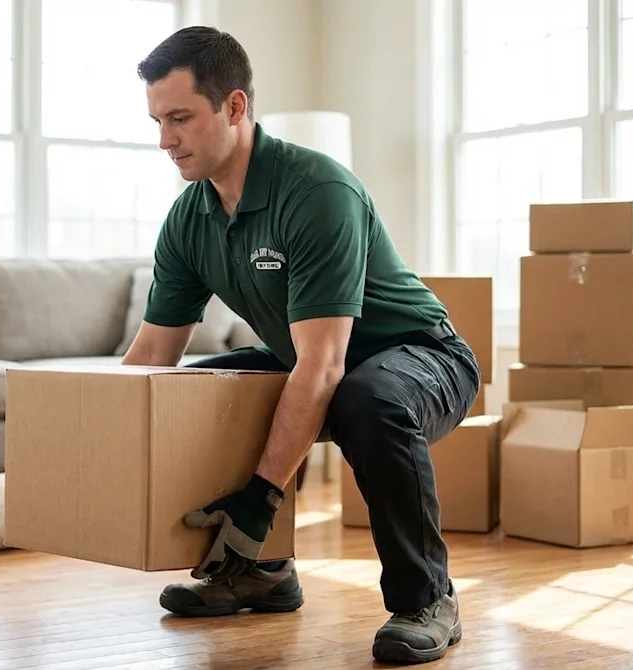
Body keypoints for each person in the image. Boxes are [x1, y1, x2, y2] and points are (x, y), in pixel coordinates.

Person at [120, 26, 481, 666]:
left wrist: (260, 496)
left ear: (234, 107)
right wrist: (102, 447)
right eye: (157, 120)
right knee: (201, 393)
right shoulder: (188, 218)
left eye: (179, 118)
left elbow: (323, 367)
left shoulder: (316, 193)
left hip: (424, 356)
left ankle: (428, 599)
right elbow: (151, 359)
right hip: (318, 359)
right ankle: (261, 573)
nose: (163, 140)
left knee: (367, 401)